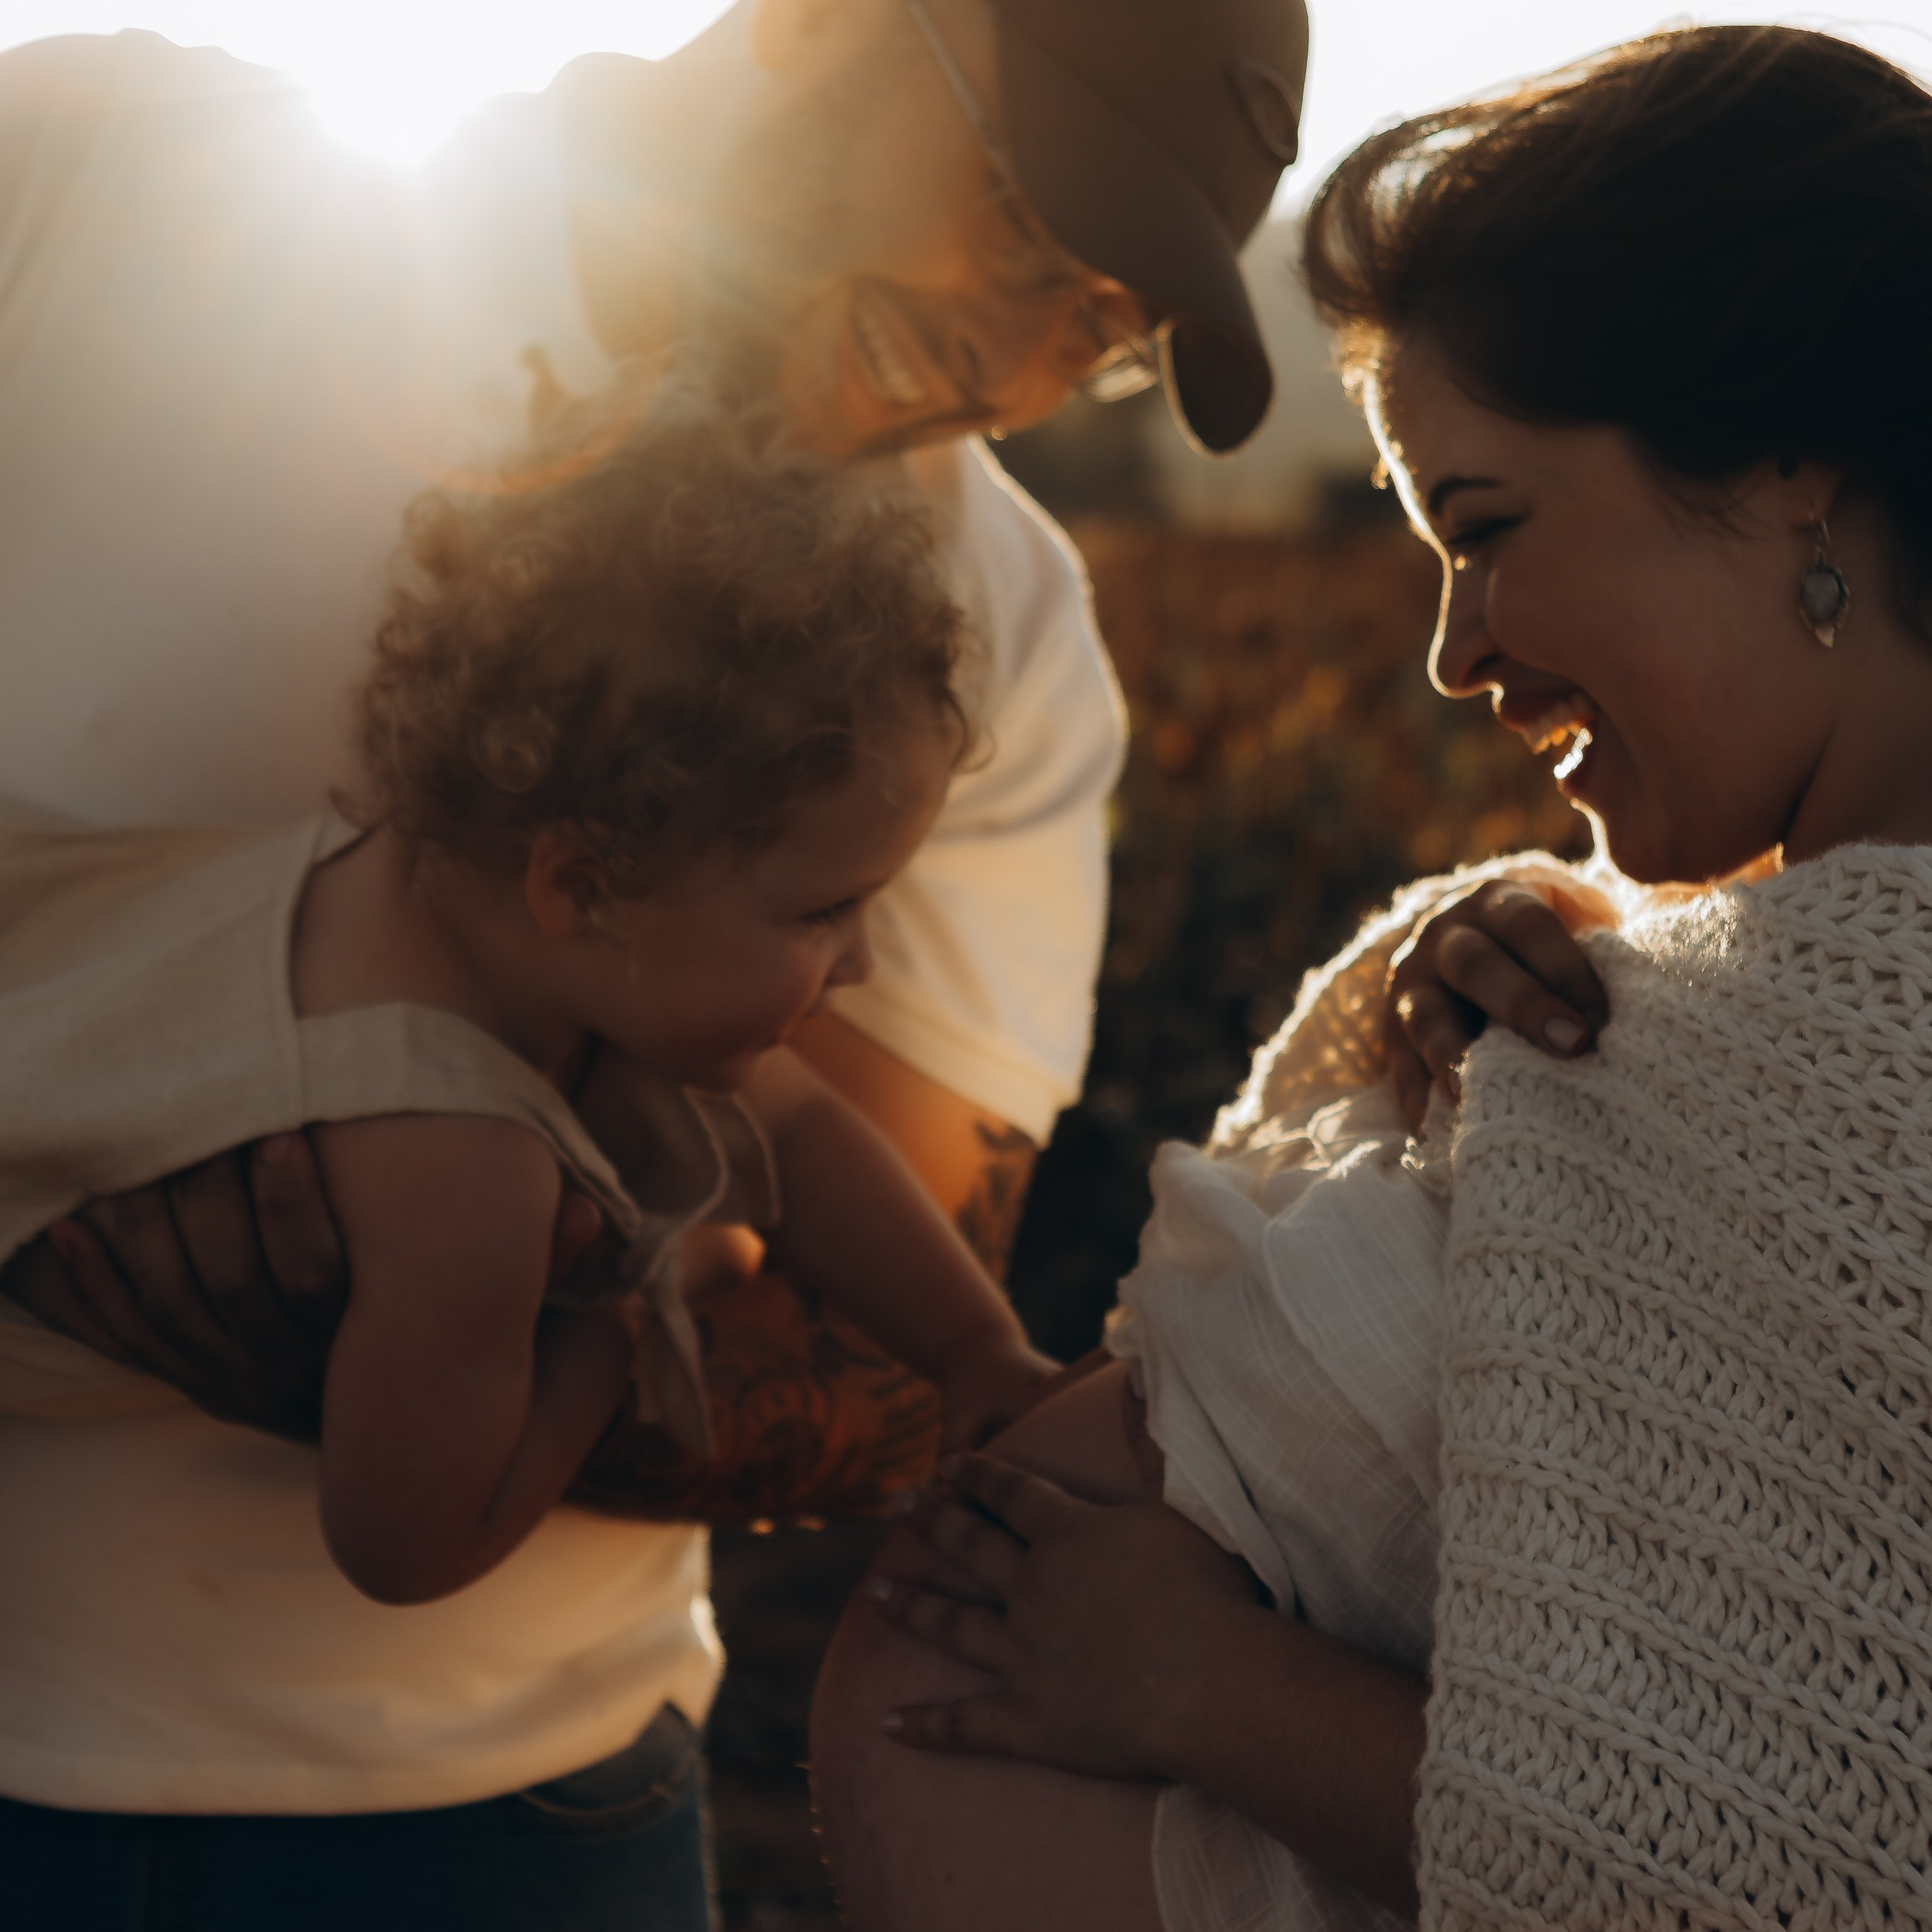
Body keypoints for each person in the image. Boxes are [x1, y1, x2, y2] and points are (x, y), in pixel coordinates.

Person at [0, 3, 1307, 1925]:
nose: (1019, 370)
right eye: (1030, 228)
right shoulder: (98, 181)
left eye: (1099, 332)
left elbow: (857, 1327)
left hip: (494, 1818)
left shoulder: (978, 632)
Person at [808, 23, 1932, 1930]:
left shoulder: (1859, 1062)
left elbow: (1829, 1844)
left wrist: (1205, 1689)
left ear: (1785, 469)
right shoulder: (1656, 984)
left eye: (1483, 531)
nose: (1449, 653)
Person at [2, 384, 1068, 1609]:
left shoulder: (450, 900)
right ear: (581, 885)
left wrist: (973, 1347)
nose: (865, 964)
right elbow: (404, 1542)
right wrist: (597, 1345)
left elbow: (804, 1133)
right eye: (825, 912)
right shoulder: (464, 1165)